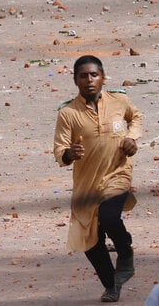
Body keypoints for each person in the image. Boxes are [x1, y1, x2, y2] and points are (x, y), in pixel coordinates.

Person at [53, 55, 141, 302]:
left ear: (103, 77)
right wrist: (69, 153)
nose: (89, 80)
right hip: (86, 184)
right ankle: (111, 284)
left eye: (94, 75)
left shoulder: (119, 100)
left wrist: (132, 137)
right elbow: (60, 149)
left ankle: (125, 252)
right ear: (75, 80)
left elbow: (135, 118)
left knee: (109, 216)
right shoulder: (68, 113)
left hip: (117, 174)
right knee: (90, 242)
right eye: (84, 75)